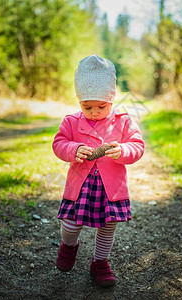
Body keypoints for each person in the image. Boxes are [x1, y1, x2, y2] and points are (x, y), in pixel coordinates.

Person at [52, 55, 144, 287]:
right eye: (87, 107)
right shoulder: (72, 122)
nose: (94, 112)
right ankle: (69, 245)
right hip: (80, 187)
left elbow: (137, 146)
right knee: (71, 224)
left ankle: (100, 261)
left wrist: (123, 150)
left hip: (109, 189)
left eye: (101, 107)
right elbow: (59, 143)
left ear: (111, 99)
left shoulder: (123, 122)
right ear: (79, 102)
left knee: (107, 226)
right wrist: (73, 149)